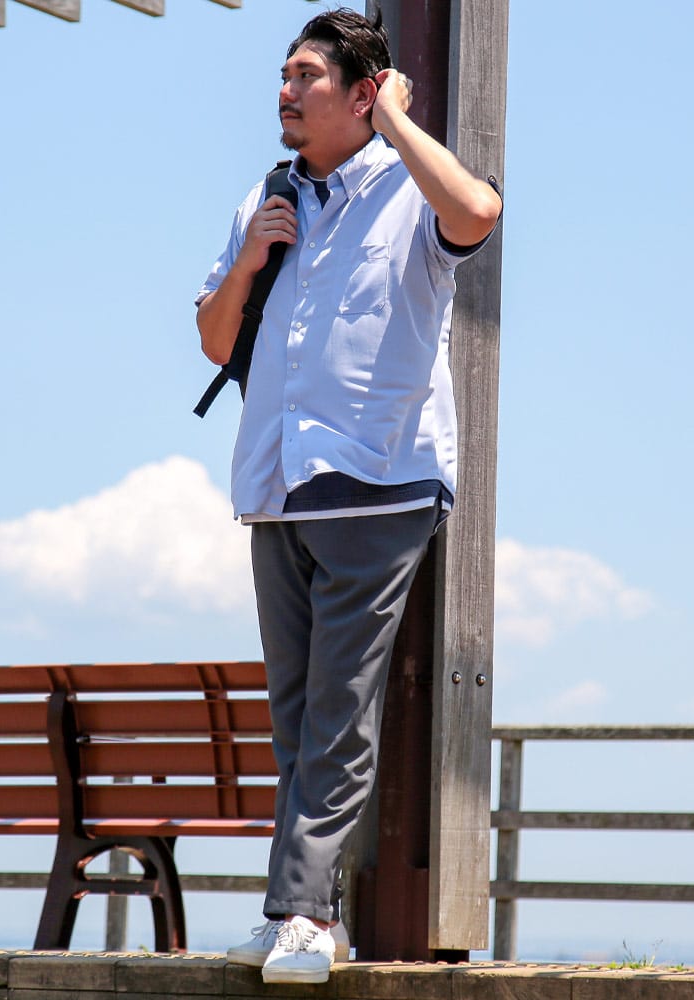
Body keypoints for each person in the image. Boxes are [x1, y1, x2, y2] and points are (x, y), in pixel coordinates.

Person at [194, 6, 501, 986]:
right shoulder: (266, 196)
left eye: (307, 76)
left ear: (362, 94)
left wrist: (400, 120)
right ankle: (299, 910)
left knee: (335, 712)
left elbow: (478, 213)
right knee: (296, 715)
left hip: (378, 484)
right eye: (284, 75)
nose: (284, 91)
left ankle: (302, 916)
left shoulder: (411, 187)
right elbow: (213, 340)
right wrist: (251, 258)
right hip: (277, 488)